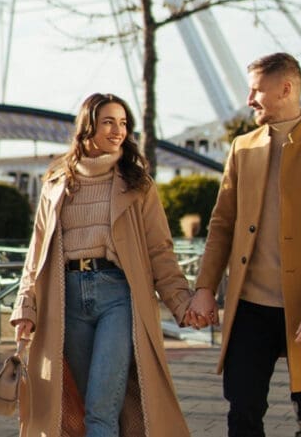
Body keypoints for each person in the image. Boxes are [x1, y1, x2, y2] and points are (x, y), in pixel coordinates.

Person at [186, 52, 301, 437]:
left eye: (256, 91)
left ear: (285, 89)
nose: (249, 100)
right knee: (242, 414)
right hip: (248, 307)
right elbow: (222, 225)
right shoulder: (242, 148)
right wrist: (204, 288)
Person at [11, 92, 194, 437]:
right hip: (66, 301)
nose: (118, 130)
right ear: (88, 126)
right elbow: (36, 254)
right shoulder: (56, 182)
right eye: (108, 122)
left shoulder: (137, 184)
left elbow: (160, 251)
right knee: (81, 405)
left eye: (123, 123)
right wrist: (25, 307)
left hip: (118, 298)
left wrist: (181, 302)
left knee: (101, 407)